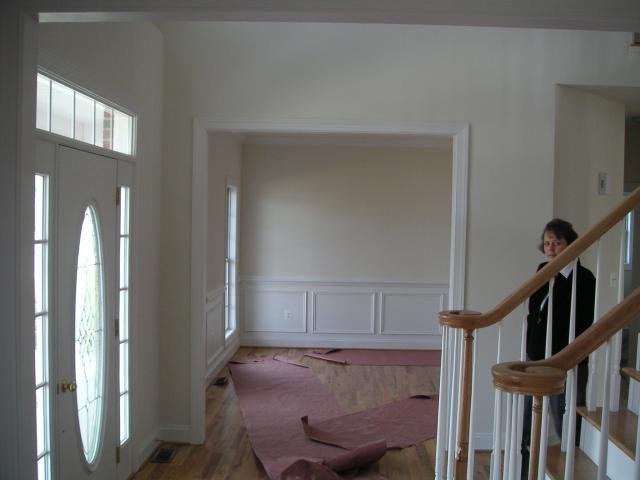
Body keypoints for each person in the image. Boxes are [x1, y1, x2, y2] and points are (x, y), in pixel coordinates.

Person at [521, 219, 596, 478]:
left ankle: (571, 462)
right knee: (529, 410)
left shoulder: (584, 279)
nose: (551, 248)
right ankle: (525, 459)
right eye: (548, 243)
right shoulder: (542, 269)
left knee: (566, 411)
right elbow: (534, 311)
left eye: (557, 242)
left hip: (568, 359)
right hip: (537, 354)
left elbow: (585, 321)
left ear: (571, 244)